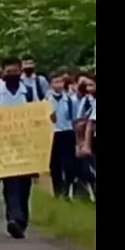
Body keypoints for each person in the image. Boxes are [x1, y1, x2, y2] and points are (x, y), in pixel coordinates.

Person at [0, 57, 42, 239]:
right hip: (4, 144)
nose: (12, 75)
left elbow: (38, 113)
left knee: (24, 185)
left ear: (20, 71)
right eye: (8, 72)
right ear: (3, 72)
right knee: (10, 182)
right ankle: (13, 217)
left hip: (26, 145)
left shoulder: (29, 92)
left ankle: (22, 220)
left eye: (15, 71)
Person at [47, 70, 78, 198]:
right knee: (55, 164)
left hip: (67, 132)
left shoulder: (71, 100)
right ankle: (57, 191)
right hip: (52, 134)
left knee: (69, 163)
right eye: (56, 82)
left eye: (60, 81)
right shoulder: (46, 100)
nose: (59, 84)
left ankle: (68, 190)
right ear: (51, 84)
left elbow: (74, 119)